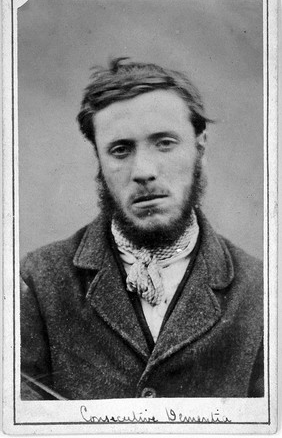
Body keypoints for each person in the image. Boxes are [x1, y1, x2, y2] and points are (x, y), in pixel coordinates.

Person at [20, 58, 263, 400]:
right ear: (99, 161)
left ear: (200, 145)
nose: (143, 171)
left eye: (164, 143)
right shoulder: (38, 281)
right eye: (121, 150)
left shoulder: (261, 291)